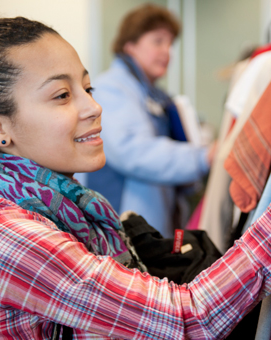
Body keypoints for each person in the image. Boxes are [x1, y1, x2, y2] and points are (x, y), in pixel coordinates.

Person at [0, 8, 271, 339]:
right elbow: (187, 318)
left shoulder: (61, 208)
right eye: (62, 95)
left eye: (86, 88)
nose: (93, 107)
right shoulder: (8, 238)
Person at [86, 4, 213, 237]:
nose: (167, 51)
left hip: (152, 223)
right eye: (157, 41)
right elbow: (133, 152)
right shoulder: (112, 88)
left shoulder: (152, 94)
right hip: (123, 225)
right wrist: (203, 157)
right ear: (130, 45)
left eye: (170, 43)